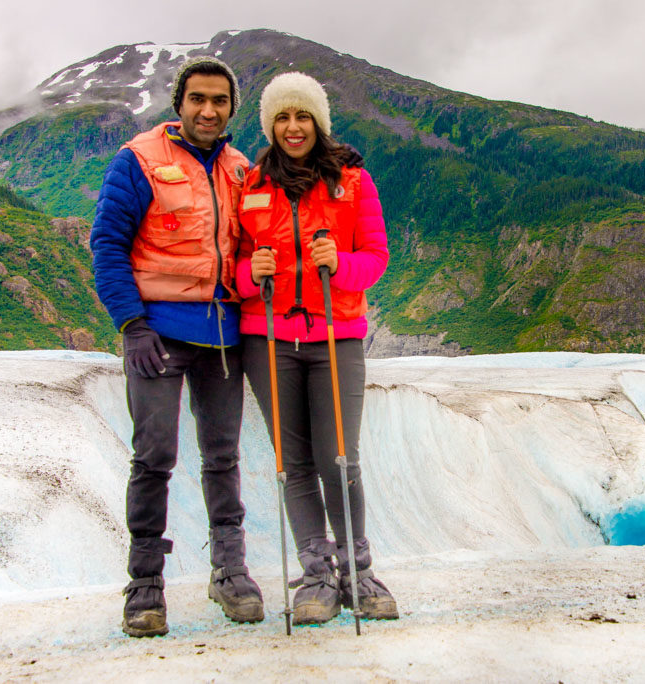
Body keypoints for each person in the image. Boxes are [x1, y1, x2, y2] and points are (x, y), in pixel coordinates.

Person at [90, 56, 263, 637]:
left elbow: (251, 245)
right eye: (197, 100)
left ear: (231, 108)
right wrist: (131, 325)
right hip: (158, 335)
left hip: (222, 336)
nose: (208, 111)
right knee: (154, 457)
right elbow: (108, 245)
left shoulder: (241, 169)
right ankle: (145, 583)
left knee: (223, 457)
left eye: (219, 101)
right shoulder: (138, 160)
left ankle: (229, 571)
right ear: (179, 104)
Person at [236, 71, 398, 624]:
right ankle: (317, 574)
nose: (292, 127)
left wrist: (341, 265)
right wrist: (245, 271)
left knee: (339, 457)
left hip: (335, 331)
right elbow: (232, 260)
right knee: (295, 462)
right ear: (270, 125)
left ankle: (357, 568)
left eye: (302, 115)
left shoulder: (353, 182)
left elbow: (375, 256)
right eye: (282, 117)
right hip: (269, 335)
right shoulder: (252, 182)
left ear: (319, 122)